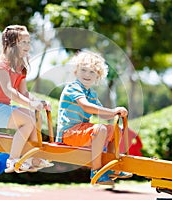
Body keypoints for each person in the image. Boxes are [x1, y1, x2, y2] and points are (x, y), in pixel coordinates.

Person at [0, 25, 53, 173]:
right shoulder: (1, 64)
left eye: (28, 42)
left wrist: (40, 102)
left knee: (36, 118)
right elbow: (9, 91)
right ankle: (13, 160)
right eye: (23, 42)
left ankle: (31, 157)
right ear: (11, 44)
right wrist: (32, 104)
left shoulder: (21, 67)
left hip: (3, 108)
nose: (28, 45)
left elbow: (24, 93)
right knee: (27, 120)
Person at [56, 51, 132, 185]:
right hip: (68, 133)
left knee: (116, 130)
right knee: (100, 129)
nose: (87, 74)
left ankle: (110, 167)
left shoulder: (91, 93)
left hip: (80, 131)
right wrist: (112, 111)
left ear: (98, 76)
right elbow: (86, 107)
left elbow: (102, 113)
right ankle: (96, 170)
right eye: (83, 70)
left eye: (92, 72)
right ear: (75, 71)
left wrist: (117, 111)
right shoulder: (73, 88)